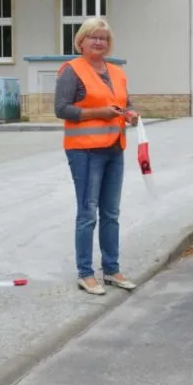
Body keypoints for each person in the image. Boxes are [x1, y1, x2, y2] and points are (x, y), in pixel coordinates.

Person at [54, 17, 140, 296]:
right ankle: (86, 273)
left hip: (114, 147)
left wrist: (131, 114)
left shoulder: (116, 72)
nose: (99, 42)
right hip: (85, 151)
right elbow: (62, 109)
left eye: (103, 37)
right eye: (93, 36)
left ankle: (112, 270)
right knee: (88, 213)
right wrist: (98, 114)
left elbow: (125, 103)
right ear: (81, 41)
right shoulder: (72, 71)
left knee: (111, 213)